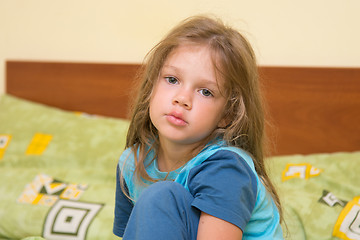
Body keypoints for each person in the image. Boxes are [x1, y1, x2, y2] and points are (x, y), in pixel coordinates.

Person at [113, 15, 284, 240]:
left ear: (227, 115)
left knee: (163, 196)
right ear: (150, 88)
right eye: (172, 79)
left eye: (206, 92)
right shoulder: (131, 163)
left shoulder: (226, 169)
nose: (182, 99)